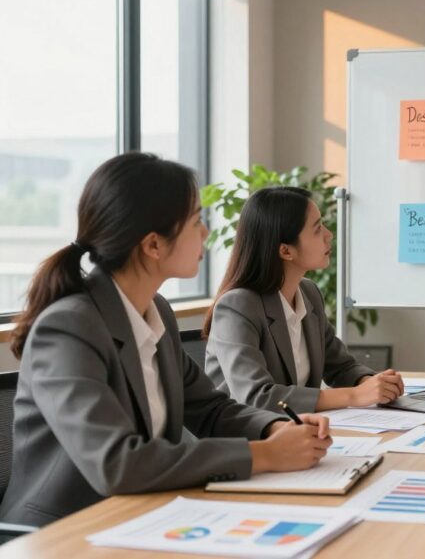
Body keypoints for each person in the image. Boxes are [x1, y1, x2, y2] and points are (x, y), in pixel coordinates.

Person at [1, 153, 333, 527]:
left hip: (140, 515)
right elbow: (117, 463)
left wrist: (275, 428)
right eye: (195, 221)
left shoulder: (154, 310)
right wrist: (265, 455)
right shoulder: (68, 328)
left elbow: (210, 409)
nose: (206, 233)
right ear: (154, 245)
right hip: (64, 531)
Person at [203, 186, 403, 414]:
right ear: (286, 251)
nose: (329, 234)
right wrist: (354, 395)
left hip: (300, 431)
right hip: (250, 442)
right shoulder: (237, 307)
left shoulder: (308, 293)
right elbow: (256, 396)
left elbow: (340, 366)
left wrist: (370, 382)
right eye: (317, 229)